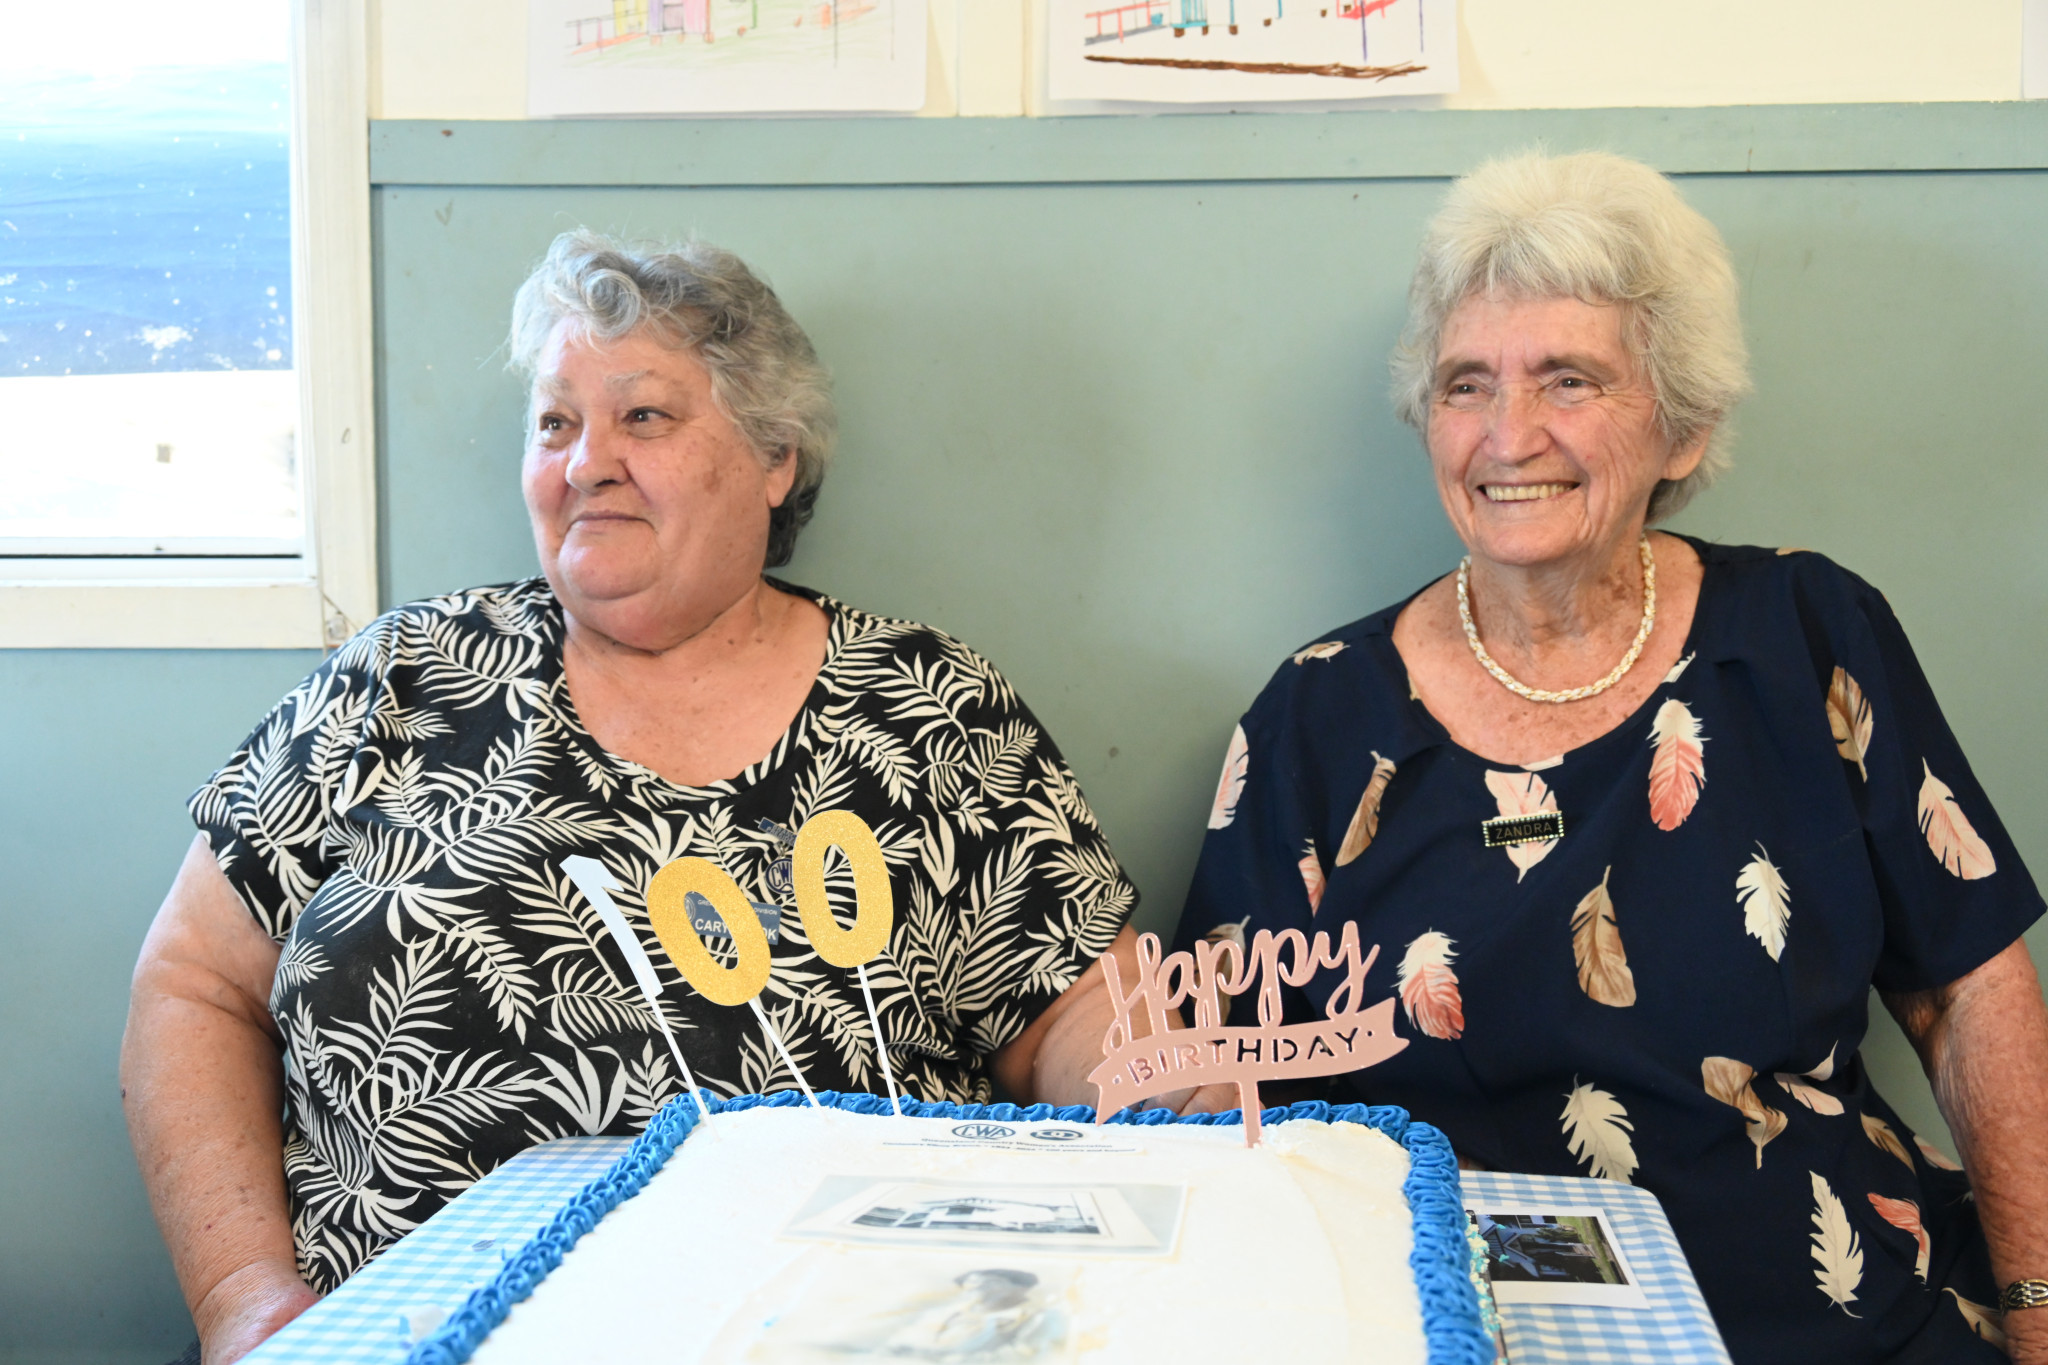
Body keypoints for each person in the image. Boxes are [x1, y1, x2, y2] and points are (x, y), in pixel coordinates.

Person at [121, 231, 1140, 1364]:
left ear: (772, 460)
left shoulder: (927, 704)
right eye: (554, 423)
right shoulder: (402, 676)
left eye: (642, 417)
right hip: (395, 1339)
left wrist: (1156, 1093)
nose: (584, 461)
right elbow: (192, 987)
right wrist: (244, 1305)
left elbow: (1073, 1013)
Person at [1171, 151, 2048, 1363]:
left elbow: (1969, 992)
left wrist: (2040, 1307)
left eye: (1566, 379)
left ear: (1680, 429)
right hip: (1455, 1326)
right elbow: (1226, 1073)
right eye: (1465, 383)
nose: (1505, 434)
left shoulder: (1802, 636)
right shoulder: (1320, 714)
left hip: (1828, 1313)